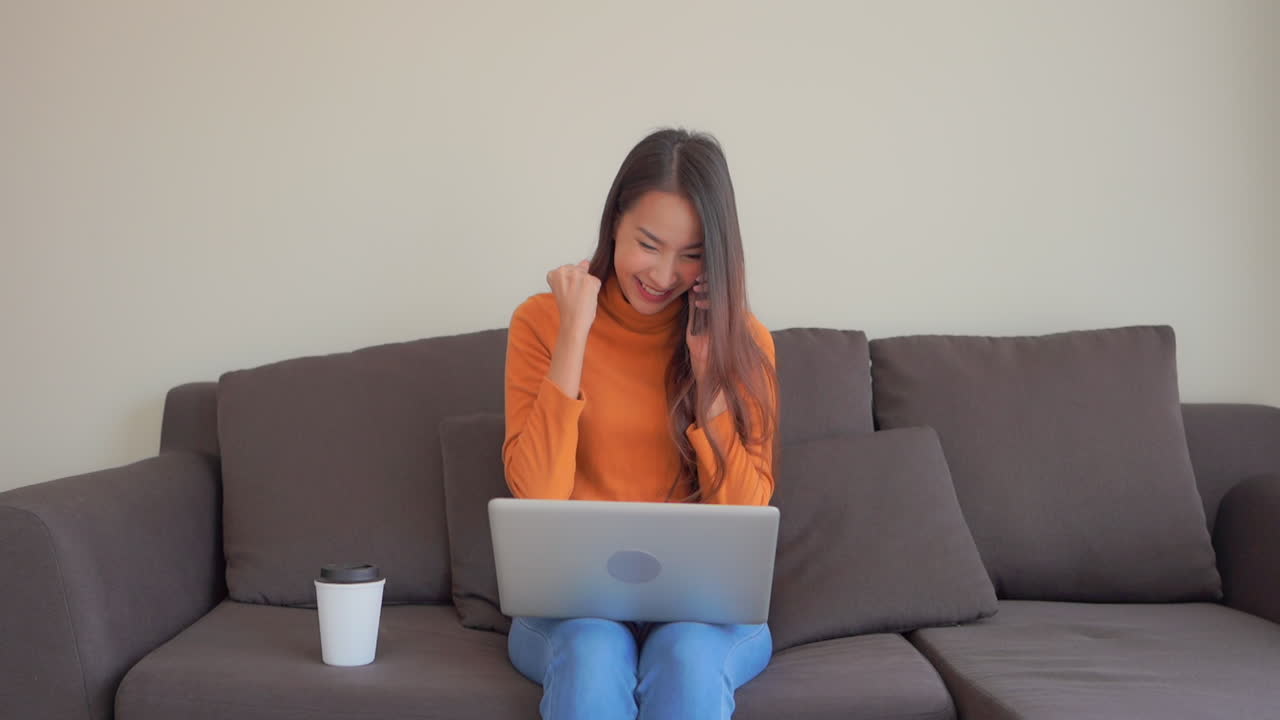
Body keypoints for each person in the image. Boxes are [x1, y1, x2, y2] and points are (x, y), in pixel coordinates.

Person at [501, 128, 780, 720]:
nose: (664, 274)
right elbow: (538, 494)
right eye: (649, 245)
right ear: (614, 226)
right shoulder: (541, 321)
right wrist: (574, 335)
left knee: (688, 657)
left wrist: (709, 381)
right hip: (571, 609)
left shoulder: (743, 341)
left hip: (704, 613)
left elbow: (745, 515)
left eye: (691, 254)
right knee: (593, 653)